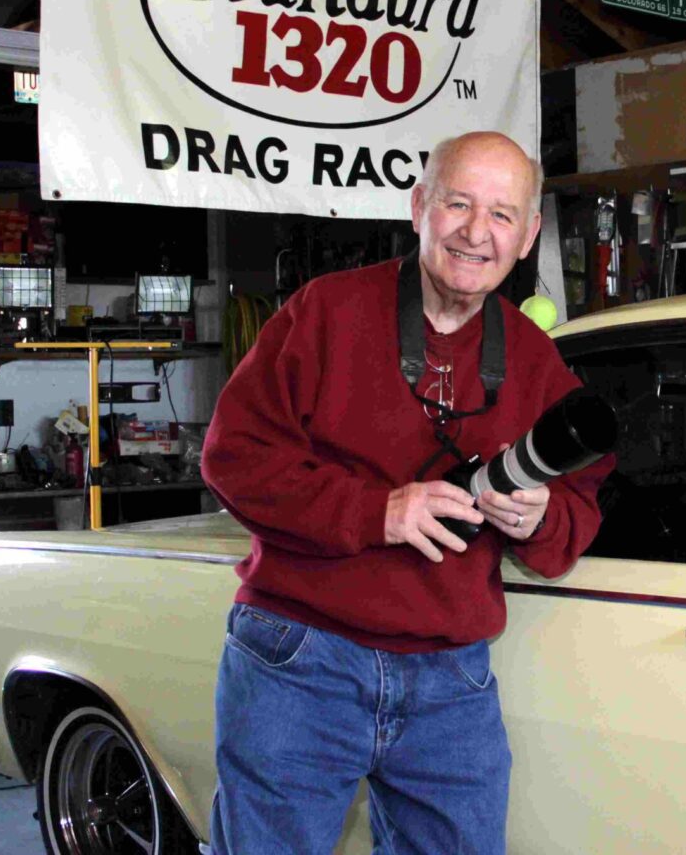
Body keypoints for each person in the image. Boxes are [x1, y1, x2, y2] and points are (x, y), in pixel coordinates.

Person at [201, 131, 609, 855]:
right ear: (419, 205)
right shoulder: (323, 314)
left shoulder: (534, 359)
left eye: (502, 215)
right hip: (302, 658)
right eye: (458, 203)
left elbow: (574, 518)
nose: (477, 233)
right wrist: (377, 512)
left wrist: (539, 515)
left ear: (529, 235)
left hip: (451, 679)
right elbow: (234, 457)